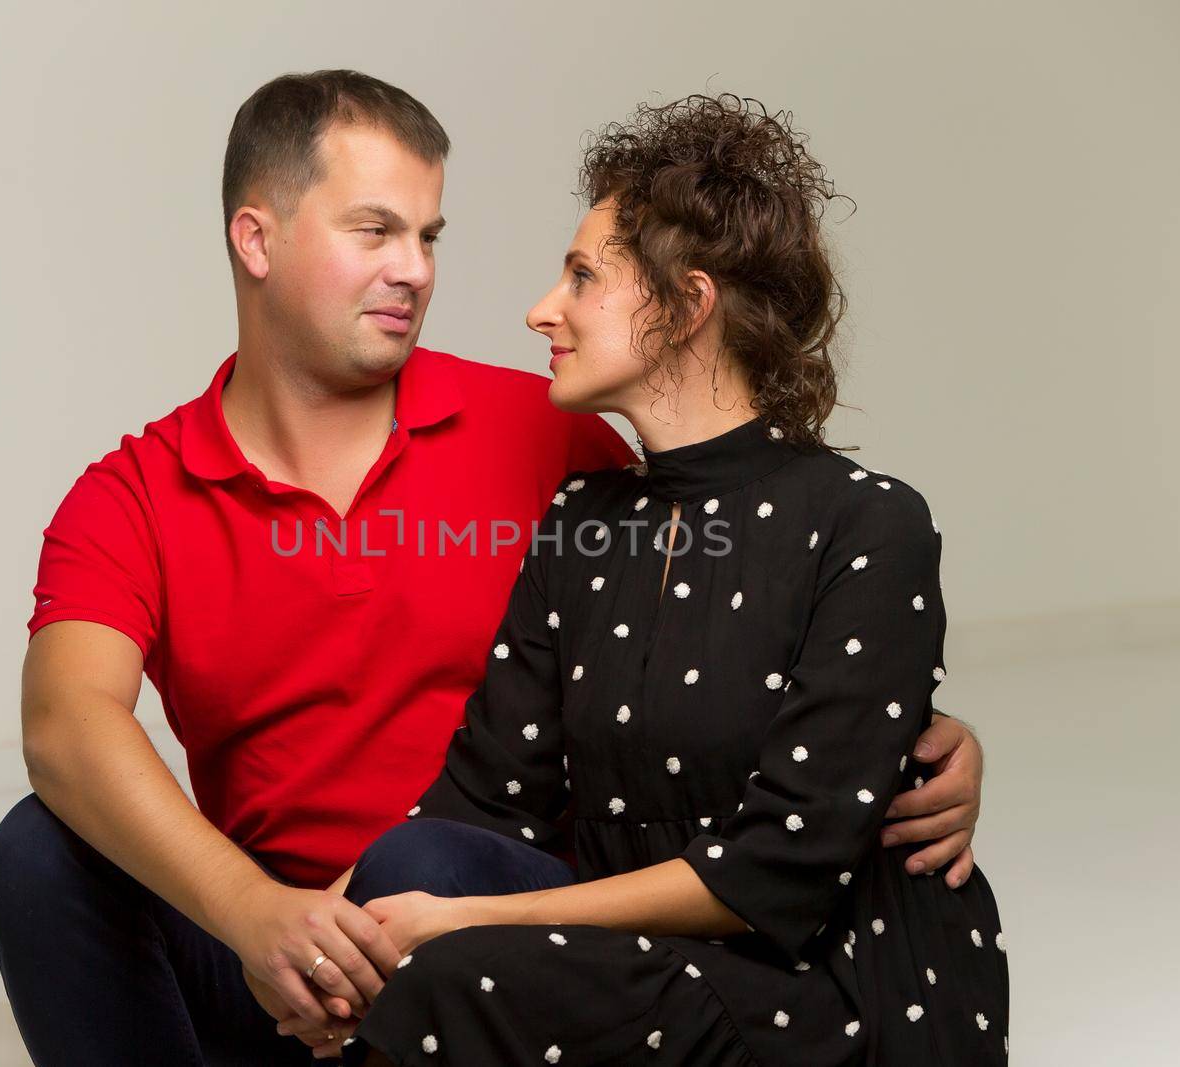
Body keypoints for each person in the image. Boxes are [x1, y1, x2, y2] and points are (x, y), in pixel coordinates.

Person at [0, 72, 990, 1066]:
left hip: (484, 924)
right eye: (375, 229)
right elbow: (66, 724)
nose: (415, 268)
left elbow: (736, 589)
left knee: (426, 865)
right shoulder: (134, 492)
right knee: (34, 851)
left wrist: (901, 739)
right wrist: (259, 918)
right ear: (257, 238)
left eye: (429, 236)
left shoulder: (548, 437)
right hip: (276, 945)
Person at [313, 95, 1009, 1066]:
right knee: (404, 876)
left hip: (822, 987)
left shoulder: (868, 522)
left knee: (459, 969)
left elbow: (775, 872)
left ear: (686, 304)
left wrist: (455, 923)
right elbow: (480, 802)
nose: (539, 309)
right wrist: (313, 934)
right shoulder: (584, 523)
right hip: (628, 962)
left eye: (582, 276)